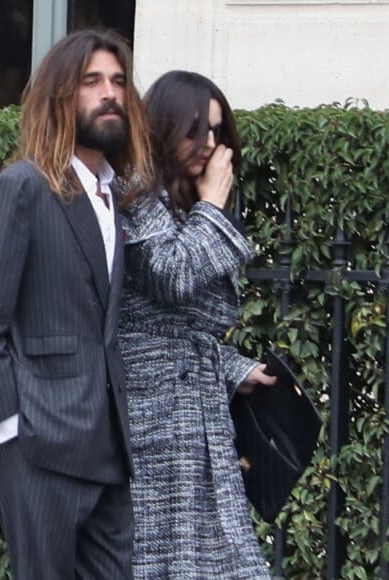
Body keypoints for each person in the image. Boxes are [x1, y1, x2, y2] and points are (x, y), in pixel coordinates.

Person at [0, 29, 152, 580]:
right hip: (38, 444)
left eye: (117, 81)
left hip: (108, 443)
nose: (109, 93)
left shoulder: (116, 194)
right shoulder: (23, 187)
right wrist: (11, 428)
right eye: (91, 82)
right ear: (60, 95)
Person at [118, 70, 276, 578]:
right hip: (152, 421)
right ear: (164, 128)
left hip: (198, 418)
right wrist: (213, 205)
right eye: (195, 130)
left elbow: (182, 325)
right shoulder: (133, 194)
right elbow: (172, 277)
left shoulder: (185, 203)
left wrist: (232, 367)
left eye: (217, 132)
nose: (209, 145)